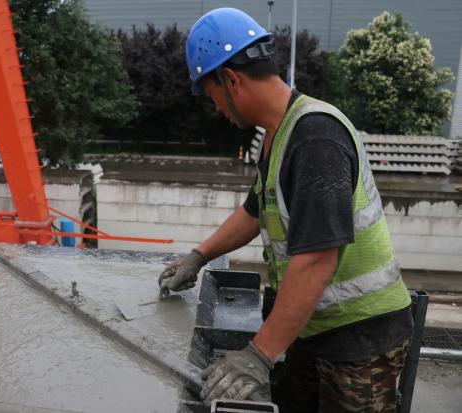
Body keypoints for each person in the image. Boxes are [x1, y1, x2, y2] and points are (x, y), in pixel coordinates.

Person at [157, 8, 413, 413]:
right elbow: (255, 211)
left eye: (210, 94)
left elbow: (317, 260)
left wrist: (257, 355)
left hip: (359, 338)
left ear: (230, 79)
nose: (215, 107)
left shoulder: (315, 138)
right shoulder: (279, 133)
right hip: (311, 327)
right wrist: (198, 256)